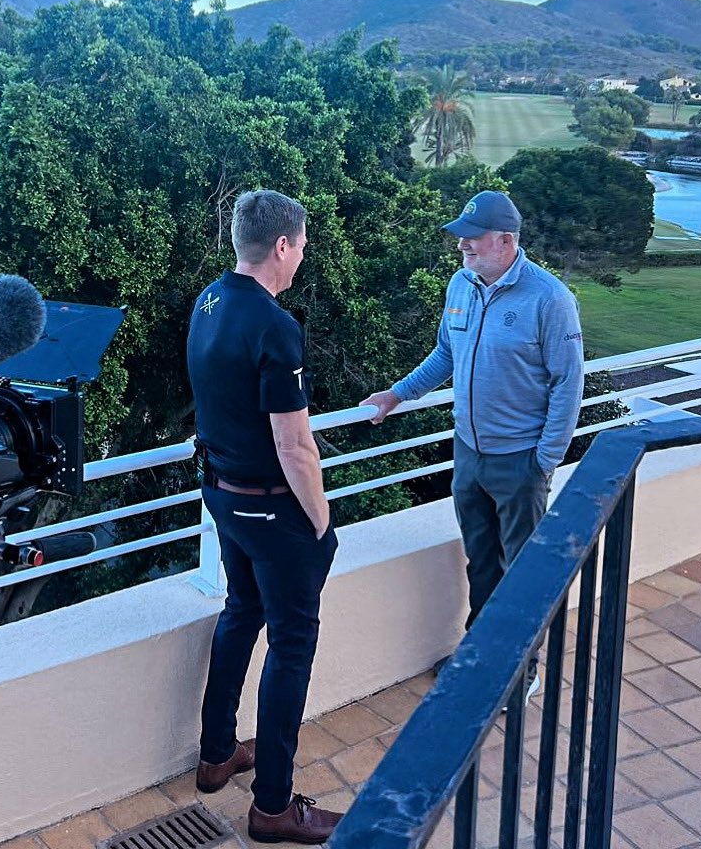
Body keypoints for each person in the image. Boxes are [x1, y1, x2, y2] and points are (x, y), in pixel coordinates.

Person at [361, 190, 584, 700]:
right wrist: (397, 394)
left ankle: (520, 672)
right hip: (469, 455)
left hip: (520, 462)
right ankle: (480, 652)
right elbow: (445, 353)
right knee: (481, 562)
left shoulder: (549, 299)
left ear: (506, 240)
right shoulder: (461, 284)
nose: (462, 244)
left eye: (473, 236)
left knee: (521, 571)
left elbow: (567, 383)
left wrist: (544, 460)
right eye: (461, 235)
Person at [187, 189, 342, 845]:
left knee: (241, 612)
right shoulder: (274, 325)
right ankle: (273, 807)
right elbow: (294, 445)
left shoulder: (209, 300)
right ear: (282, 245)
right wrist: (322, 522)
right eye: (302, 245)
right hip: (272, 510)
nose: (303, 256)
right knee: (292, 645)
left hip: (222, 495)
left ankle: (217, 754)